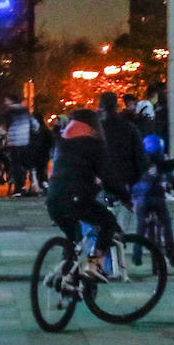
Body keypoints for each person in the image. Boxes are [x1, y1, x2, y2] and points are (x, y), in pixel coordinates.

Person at [44, 109, 124, 282]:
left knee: (74, 240)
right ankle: (94, 265)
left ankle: (66, 280)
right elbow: (108, 177)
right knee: (108, 223)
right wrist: (125, 197)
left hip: (53, 199)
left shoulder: (63, 140)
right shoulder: (93, 143)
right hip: (76, 199)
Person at [130, 134, 174, 267]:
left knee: (141, 226)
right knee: (166, 224)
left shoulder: (139, 161)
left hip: (141, 199)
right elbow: (172, 178)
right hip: (157, 198)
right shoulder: (162, 160)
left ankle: (137, 255)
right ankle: (171, 254)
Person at [3, 95, 34, 197]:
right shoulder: (26, 111)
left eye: (6, 100)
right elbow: (35, 125)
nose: (5, 102)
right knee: (23, 165)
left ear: (12, 101)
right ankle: (23, 186)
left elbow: (7, 127)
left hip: (14, 142)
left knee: (16, 166)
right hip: (25, 142)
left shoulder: (9, 112)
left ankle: (18, 189)